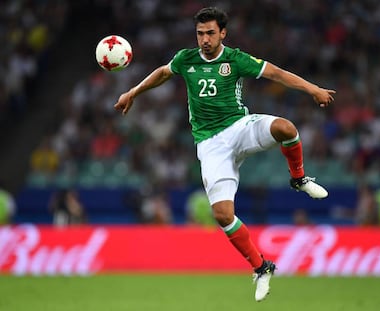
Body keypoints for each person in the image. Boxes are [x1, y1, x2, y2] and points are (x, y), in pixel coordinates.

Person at [115, 7, 335, 301]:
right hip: (210, 144)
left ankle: (298, 178)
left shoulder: (235, 59)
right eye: (200, 34)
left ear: (222, 33)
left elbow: (277, 74)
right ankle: (261, 267)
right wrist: (133, 92)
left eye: (209, 33)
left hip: (239, 127)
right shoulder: (186, 59)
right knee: (222, 215)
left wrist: (313, 89)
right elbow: (163, 73)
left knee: (286, 128)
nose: (204, 39)